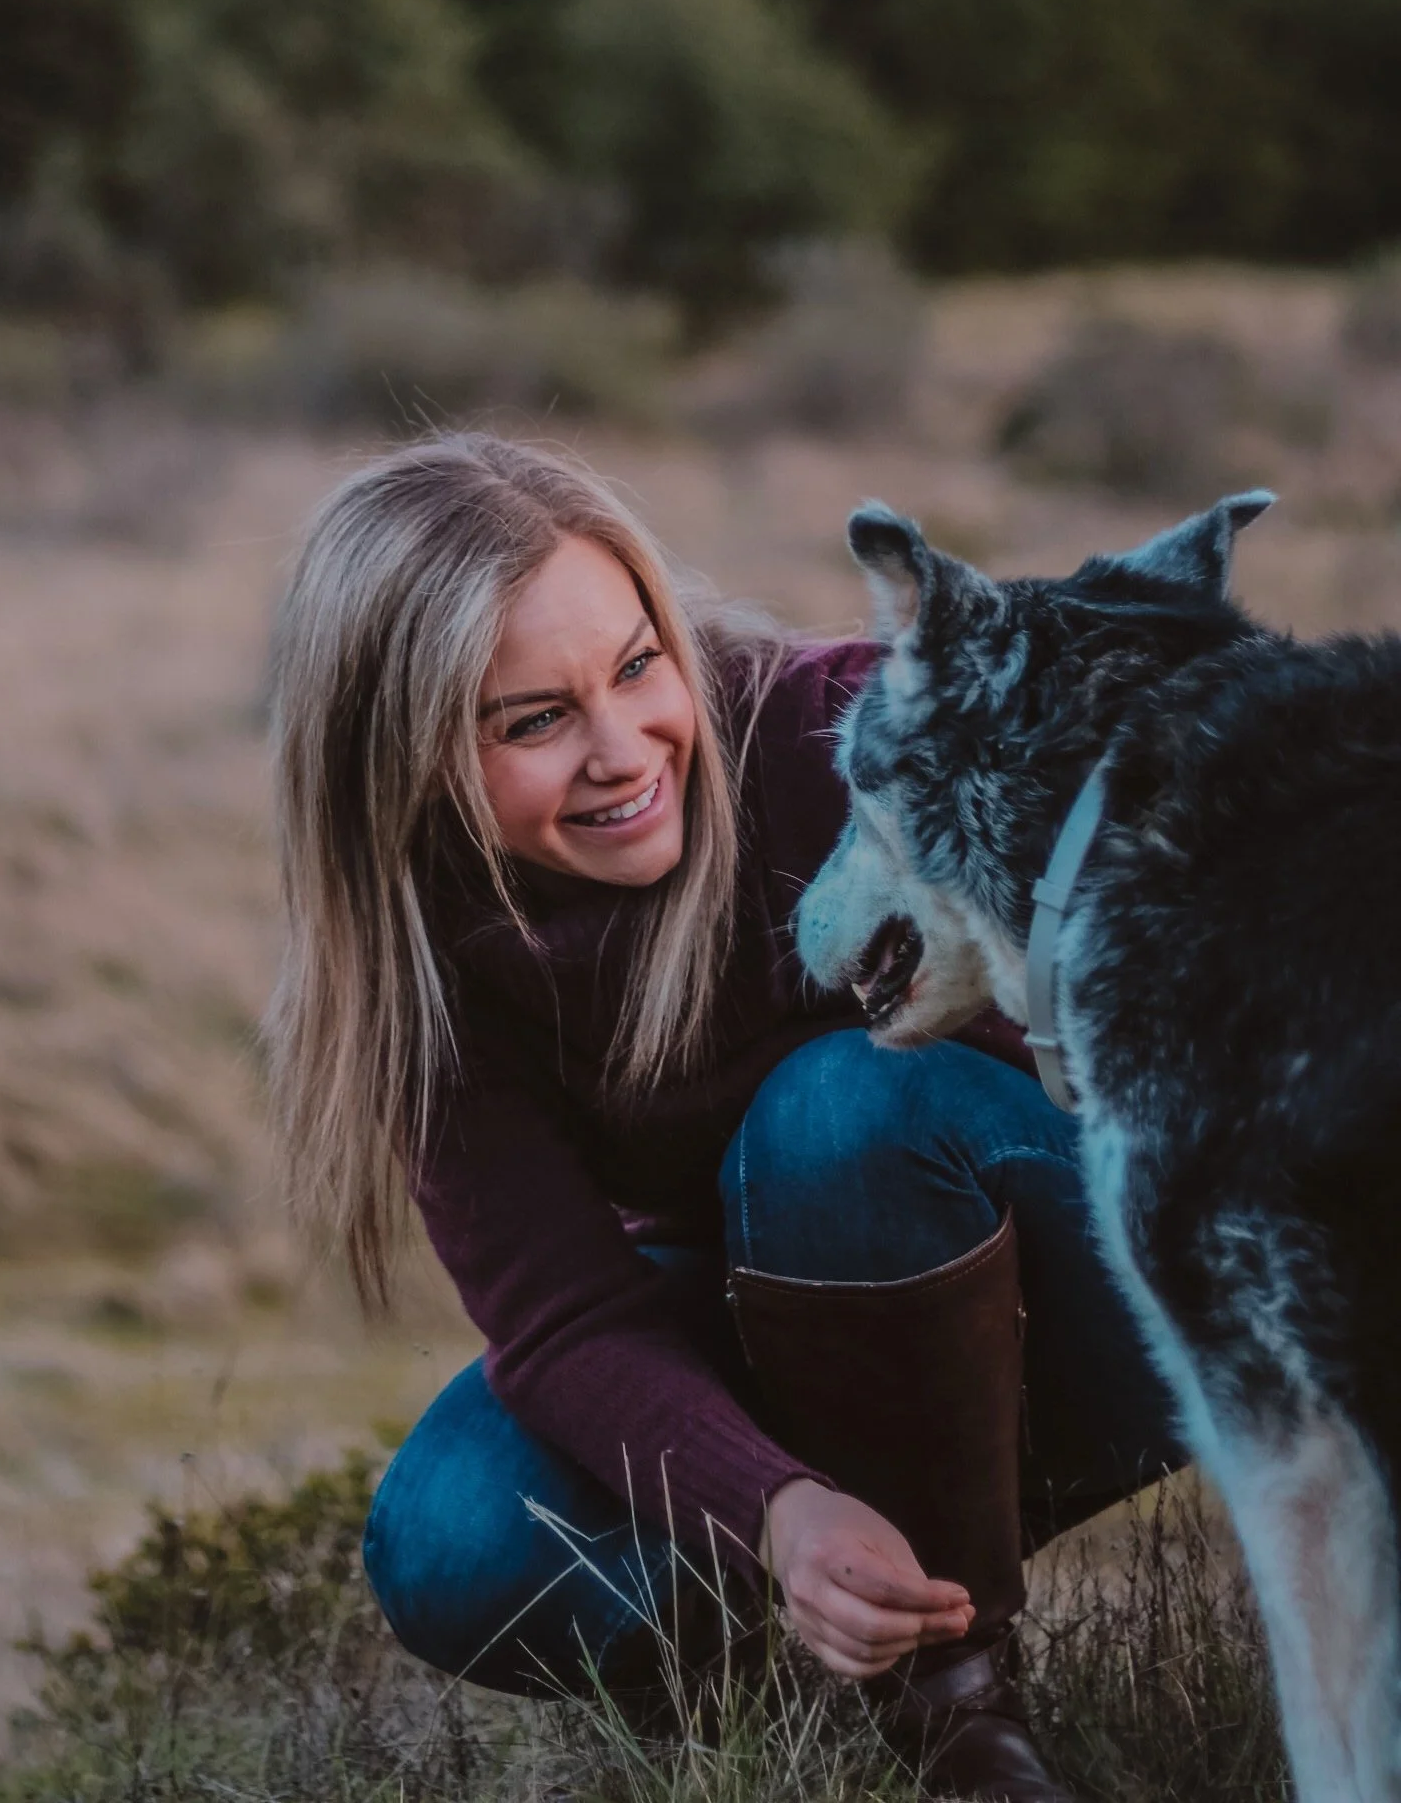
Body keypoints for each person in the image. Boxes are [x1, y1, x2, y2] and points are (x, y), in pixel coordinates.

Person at [267, 434, 1178, 1801]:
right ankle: (843, 1640)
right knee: (453, 1535)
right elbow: (568, 1319)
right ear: (403, 757)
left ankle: (959, 1718)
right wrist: (776, 1511)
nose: (626, 751)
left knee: (836, 1111)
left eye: (639, 666)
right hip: (813, 1334)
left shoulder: (847, 734)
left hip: (1121, 1268)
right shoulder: (425, 960)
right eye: (532, 720)